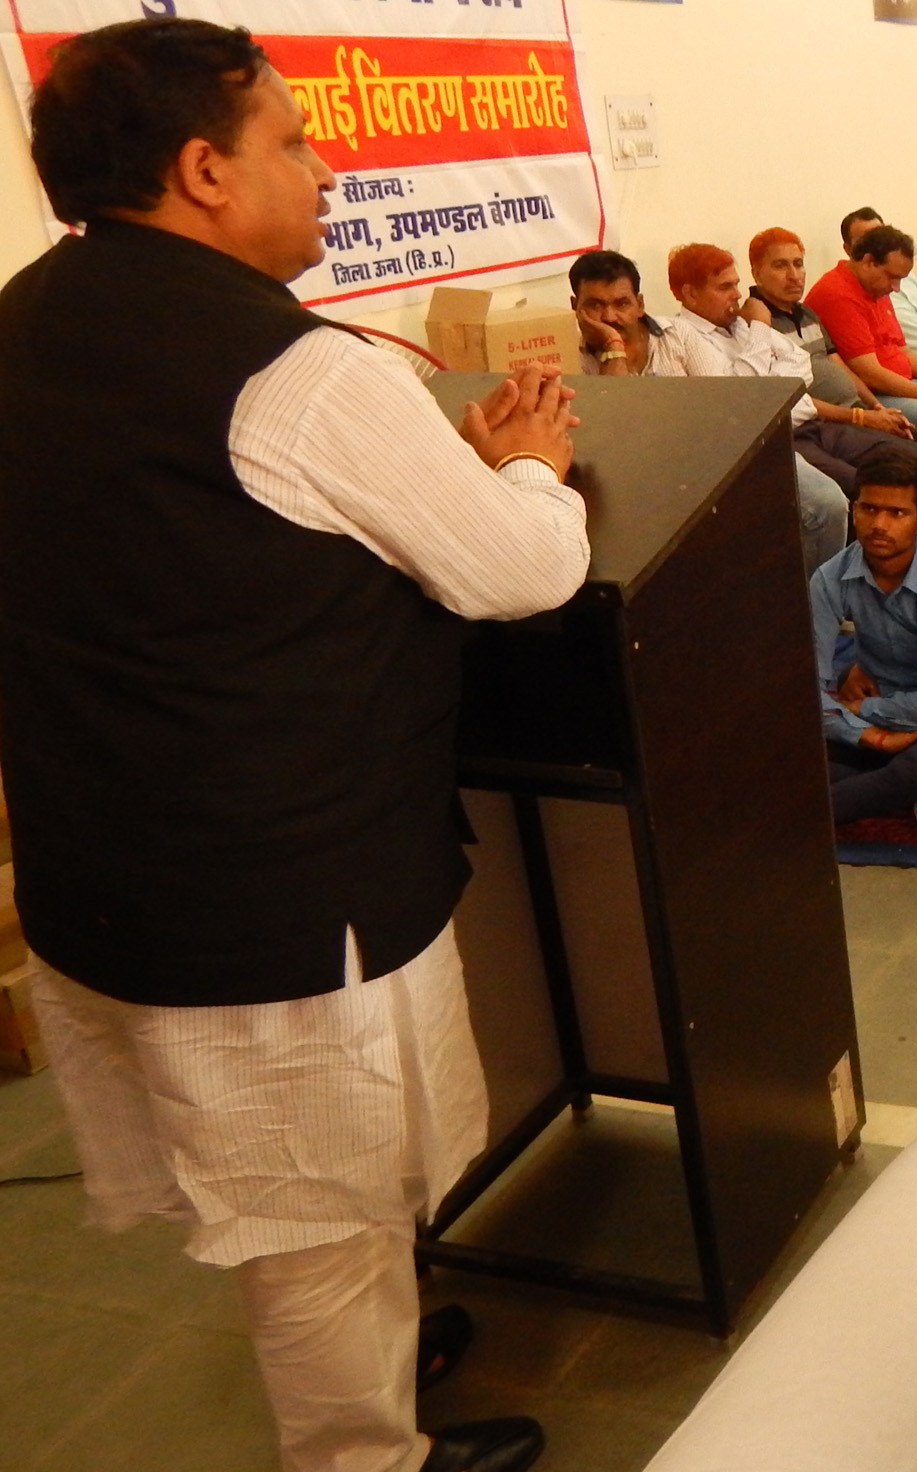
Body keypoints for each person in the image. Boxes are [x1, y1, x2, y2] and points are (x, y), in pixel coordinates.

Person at [0, 21, 590, 1471]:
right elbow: (520, 572)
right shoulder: (306, 375)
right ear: (203, 171)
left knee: (312, 1207)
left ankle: (376, 1355)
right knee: (319, 1215)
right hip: (276, 893)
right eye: (292, 143)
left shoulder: (21, 321)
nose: (326, 173)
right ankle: (364, 1456)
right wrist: (526, 468)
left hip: (103, 865)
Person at [651, 242, 852, 573]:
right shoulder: (684, 336)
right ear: (689, 294)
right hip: (734, 458)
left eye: (736, 285)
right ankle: (816, 606)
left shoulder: (739, 326)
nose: (737, 295)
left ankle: (820, 597)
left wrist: (767, 385)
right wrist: (761, 331)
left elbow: (801, 365)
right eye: (724, 287)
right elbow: (741, 396)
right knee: (828, 505)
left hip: (780, 434)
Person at [814, 447, 917, 827]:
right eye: (869, 509)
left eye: (896, 513)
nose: (879, 524)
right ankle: (913, 799)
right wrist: (874, 737)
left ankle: (801, 812)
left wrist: (858, 713)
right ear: (854, 510)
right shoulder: (829, 577)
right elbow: (811, 689)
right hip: (869, 712)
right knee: (782, 743)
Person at [737, 230, 917, 494]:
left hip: (852, 414)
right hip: (818, 426)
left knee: (915, 453)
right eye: (780, 265)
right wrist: (863, 417)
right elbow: (787, 400)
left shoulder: (807, 313)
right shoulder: (756, 324)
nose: (794, 275)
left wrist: (876, 407)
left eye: (798, 263)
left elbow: (840, 364)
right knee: (874, 478)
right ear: (756, 273)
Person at [806, 224, 917, 457]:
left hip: (902, 380)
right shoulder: (838, 294)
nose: (896, 288)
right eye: (893, 277)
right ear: (868, 262)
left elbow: (903, 353)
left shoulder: (876, 287)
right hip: (876, 393)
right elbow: (870, 374)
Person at [569, 249, 662, 375]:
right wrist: (614, 344)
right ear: (575, 306)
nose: (609, 317)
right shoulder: (568, 359)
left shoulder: (680, 336)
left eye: (621, 304)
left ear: (640, 305)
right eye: (595, 305)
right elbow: (614, 395)